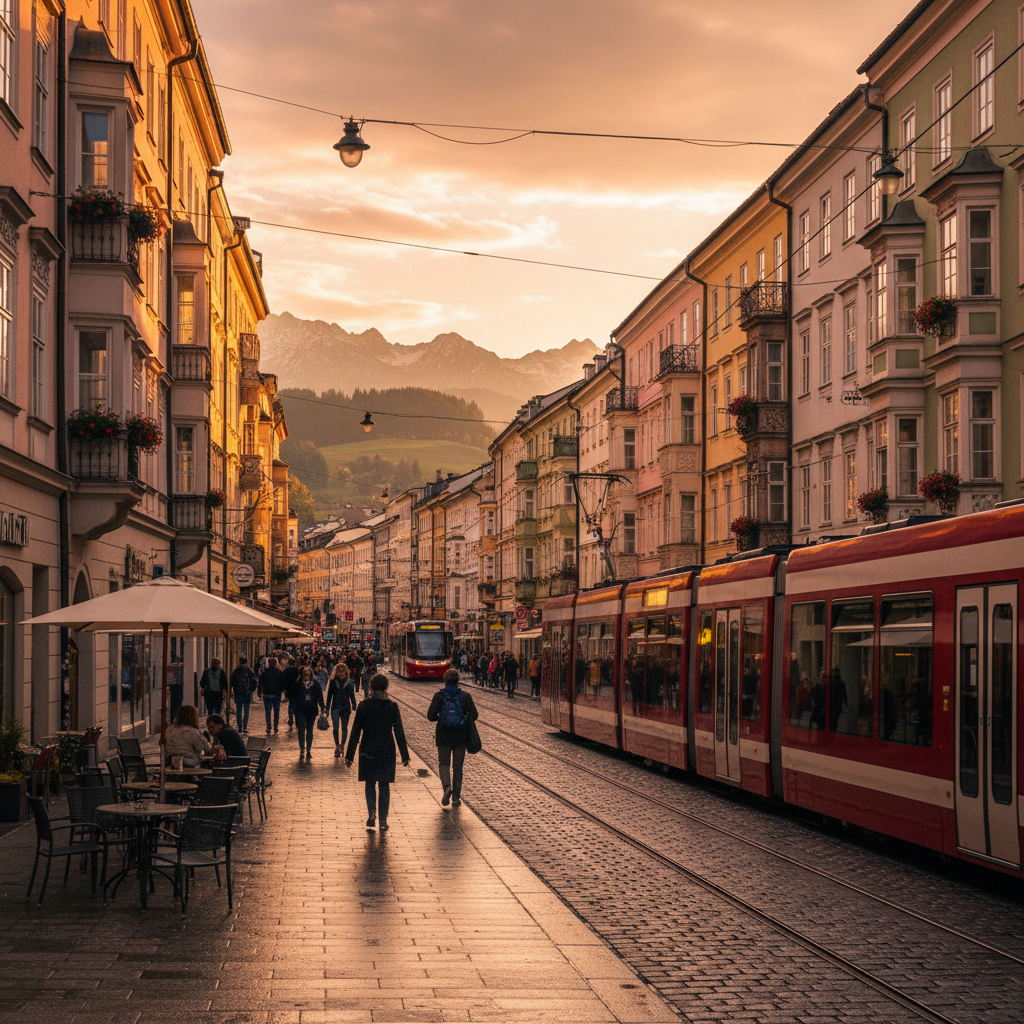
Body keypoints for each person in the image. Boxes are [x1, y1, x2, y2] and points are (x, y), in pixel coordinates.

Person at [345, 674, 409, 831]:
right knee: (384, 784)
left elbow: (355, 731)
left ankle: (372, 811)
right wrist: (405, 755)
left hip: (368, 747)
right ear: (386, 687)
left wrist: (349, 755)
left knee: (370, 782)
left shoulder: (364, 705)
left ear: (371, 687)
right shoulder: (392, 706)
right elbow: (399, 731)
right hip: (387, 749)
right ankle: (383, 820)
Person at [427, 668, 479, 807]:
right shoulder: (465, 696)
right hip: (460, 736)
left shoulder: (439, 696)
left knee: (444, 764)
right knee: (458, 767)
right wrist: (463, 718)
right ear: (458, 680)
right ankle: (456, 798)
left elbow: (430, 716)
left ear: (445, 680)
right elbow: (474, 715)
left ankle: (446, 787)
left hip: (443, 735)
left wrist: (441, 717)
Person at [289, 665, 326, 761]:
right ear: (301, 674)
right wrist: (291, 712)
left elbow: (320, 697)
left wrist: (323, 708)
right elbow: (292, 699)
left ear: (310, 673)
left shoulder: (315, 684)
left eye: (307, 671)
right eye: (304, 672)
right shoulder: (297, 684)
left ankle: (308, 749)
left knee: (310, 730)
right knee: (301, 729)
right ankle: (302, 749)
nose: (306, 674)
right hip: (299, 710)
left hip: (312, 710)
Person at [326, 662, 357, 757]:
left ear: (346, 672)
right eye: (339, 672)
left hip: (346, 708)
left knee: (344, 727)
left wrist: (354, 704)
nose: (341, 674)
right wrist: (327, 708)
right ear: (336, 672)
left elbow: (352, 694)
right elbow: (329, 696)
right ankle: (337, 746)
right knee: (335, 728)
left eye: (343, 672)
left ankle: (342, 745)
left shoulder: (349, 682)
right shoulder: (332, 682)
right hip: (335, 707)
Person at [257, 656, 286, 735]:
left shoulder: (265, 673)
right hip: (276, 695)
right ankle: (275, 727)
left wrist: (259, 692)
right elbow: (283, 684)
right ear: (276, 663)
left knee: (268, 712)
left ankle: (268, 727)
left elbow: (260, 683)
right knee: (276, 712)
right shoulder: (279, 672)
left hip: (267, 694)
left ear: (268, 663)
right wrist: (280, 691)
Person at [230, 656, 256, 733]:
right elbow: (254, 682)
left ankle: (239, 727)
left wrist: (232, 691)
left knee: (239, 711)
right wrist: (251, 690)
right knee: (246, 711)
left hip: (238, 693)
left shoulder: (236, 671)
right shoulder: (249, 671)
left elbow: (232, 682)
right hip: (247, 694)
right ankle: (244, 727)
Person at [281, 655, 299, 731]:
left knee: (291, 705)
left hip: (288, 690)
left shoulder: (286, 671)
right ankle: (297, 720)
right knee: (297, 705)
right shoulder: (297, 671)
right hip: (296, 690)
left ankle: (291, 719)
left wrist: (284, 689)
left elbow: (283, 681)